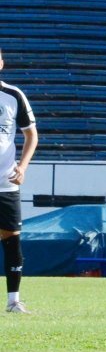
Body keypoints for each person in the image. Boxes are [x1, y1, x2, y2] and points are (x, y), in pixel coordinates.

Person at [0, 49, 37, 315]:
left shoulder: (13, 95)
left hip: (5, 182)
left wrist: (22, 167)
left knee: (11, 238)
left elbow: (31, 135)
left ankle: (13, 301)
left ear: (1, 63)